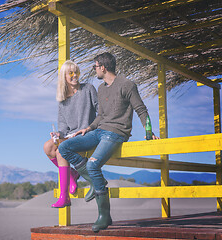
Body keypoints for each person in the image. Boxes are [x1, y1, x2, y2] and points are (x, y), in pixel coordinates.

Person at [58, 53, 158, 232]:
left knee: (93, 165)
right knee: (64, 147)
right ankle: (96, 182)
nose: (94, 70)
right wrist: (88, 129)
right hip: (98, 131)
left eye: (95, 66)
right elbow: (101, 116)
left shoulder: (127, 85)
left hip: (116, 133)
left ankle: (104, 215)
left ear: (102, 67)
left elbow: (141, 109)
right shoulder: (101, 88)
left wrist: (149, 132)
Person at [43, 60, 98, 208]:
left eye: (77, 72)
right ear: (64, 76)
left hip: (87, 133)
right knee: (48, 147)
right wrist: (57, 134)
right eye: (71, 73)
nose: (75, 75)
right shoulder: (62, 99)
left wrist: (91, 127)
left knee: (61, 151)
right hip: (70, 136)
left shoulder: (88, 89)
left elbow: (101, 112)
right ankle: (72, 174)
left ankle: (64, 196)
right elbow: (63, 127)